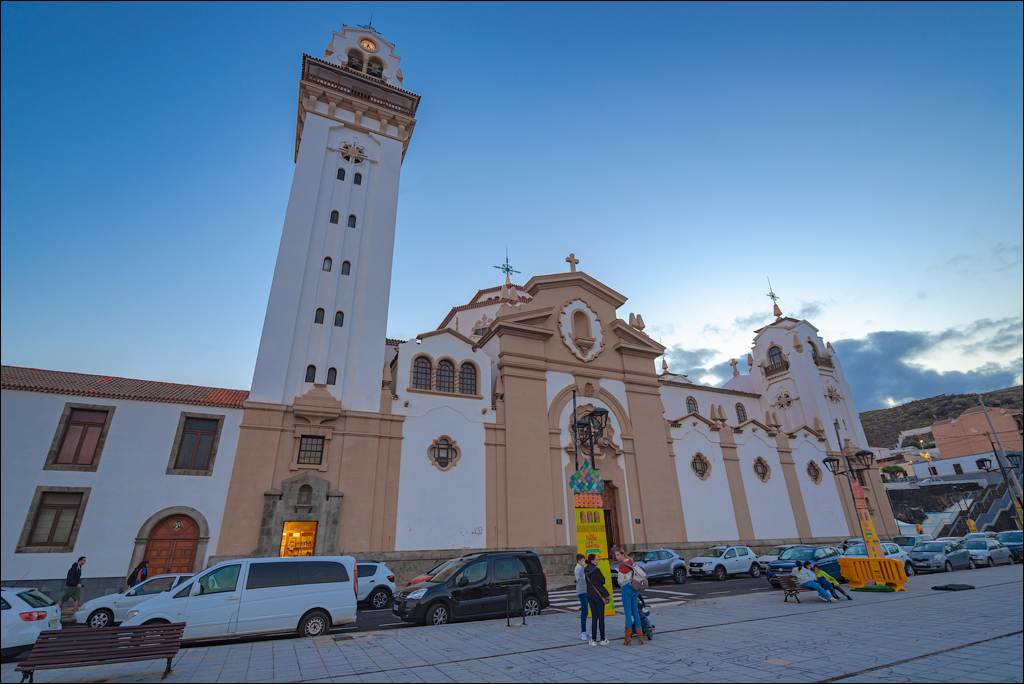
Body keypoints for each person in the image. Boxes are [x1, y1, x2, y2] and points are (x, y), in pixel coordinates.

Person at [614, 548, 644, 645]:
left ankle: (627, 639)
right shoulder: (631, 561)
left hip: (626, 588)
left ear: (623, 554)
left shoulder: (622, 565)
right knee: (635, 611)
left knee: (627, 613)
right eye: (616, 555)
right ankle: (640, 638)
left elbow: (619, 580)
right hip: (635, 588)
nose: (617, 557)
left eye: (618, 555)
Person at [584, 554, 610, 646]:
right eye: (596, 559)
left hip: (590, 596)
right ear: (592, 561)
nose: (598, 561)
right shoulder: (596, 570)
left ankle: (593, 639)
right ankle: (602, 639)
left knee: (594, 618)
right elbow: (603, 581)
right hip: (598, 596)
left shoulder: (586, 570)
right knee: (601, 618)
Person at [574, 554, 589, 641]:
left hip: (586, 591)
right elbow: (580, 574)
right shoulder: (578, 568)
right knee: (584, 610)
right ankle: (583, 632)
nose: (584, 561)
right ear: (579, 561)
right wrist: (583, 565)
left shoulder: (582, 567)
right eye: (583, 560)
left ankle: (585, 631)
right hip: (581, 591)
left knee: (586, 611)